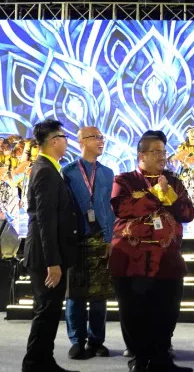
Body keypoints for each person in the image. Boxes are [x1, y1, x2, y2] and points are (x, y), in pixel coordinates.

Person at [109, 130, 194, 372]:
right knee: (134, 312)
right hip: (132, 259)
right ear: (141, 155)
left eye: (164, 152)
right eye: (156, 152)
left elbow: (187, 213)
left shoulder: (174, 181)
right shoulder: (124, 180)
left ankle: (161, 359)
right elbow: (123, 208)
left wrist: (169, 193)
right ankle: (140, 359)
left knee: (167, 311)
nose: (162, 157)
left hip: (167, 259)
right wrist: (156, 193)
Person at [21, 119, 79, 372]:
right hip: (46, 256)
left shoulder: (50, 167)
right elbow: (45, 219)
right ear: (54, 141)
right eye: (65, 137)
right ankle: (34, 363)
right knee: (46, 311)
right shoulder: (45, 170)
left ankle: (44, 361)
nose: (67, 142)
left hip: (50, 252)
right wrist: (52, 262)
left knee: (50, 310)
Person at [62, 127, 115, 360]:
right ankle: (77, 340)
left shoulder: (108, 173)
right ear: (82, 141)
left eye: (102, 138)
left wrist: (111, 237)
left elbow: (109, 208)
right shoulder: (68, 172)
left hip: (101, 238)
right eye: (96, 138)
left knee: (99, 295)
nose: (101, 141)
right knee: (75, 294)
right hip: (76, 239)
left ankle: (96, 340)